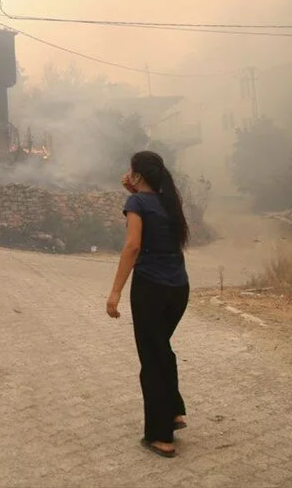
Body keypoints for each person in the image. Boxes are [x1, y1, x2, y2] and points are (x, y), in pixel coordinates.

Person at [106, 151, 190, 458]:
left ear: (138, 175)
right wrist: (134, 194)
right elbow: (149, 211)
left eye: (131, 169)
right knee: (161, 348)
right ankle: (174, 412)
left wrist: (115, 292)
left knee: (151, 358)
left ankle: (161, 437)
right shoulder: (168, 202)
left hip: (151, 290)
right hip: (179, 288)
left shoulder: (137, 204)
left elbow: (133, 245)